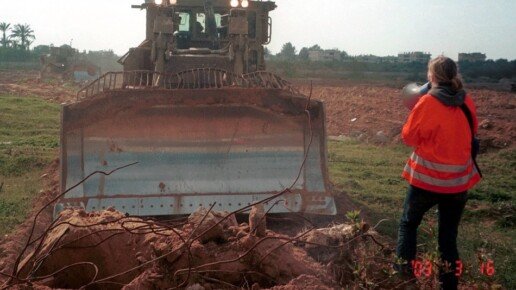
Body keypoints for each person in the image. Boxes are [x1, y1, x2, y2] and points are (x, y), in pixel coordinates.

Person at [396, 56, 481, 290]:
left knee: (408, 225)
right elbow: (472, 132)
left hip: (426, 182)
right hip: (458, 185)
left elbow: (408, 138)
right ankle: (449, 285)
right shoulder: (466, 101)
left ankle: (405, 280)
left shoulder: (427, 102)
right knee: (448, 239)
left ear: (431, 76)